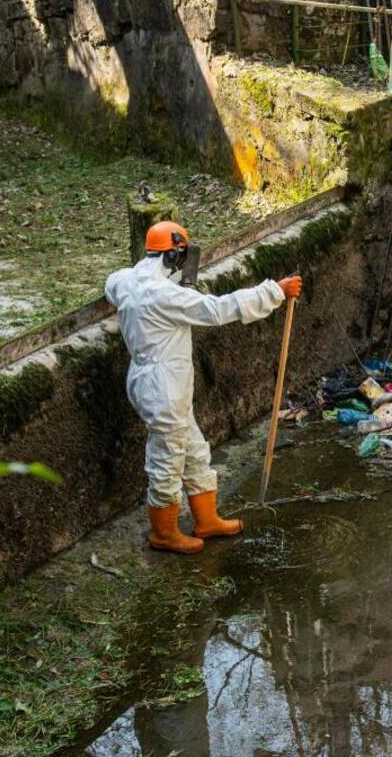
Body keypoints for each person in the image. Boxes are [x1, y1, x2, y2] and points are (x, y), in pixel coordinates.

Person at [105, 220, 302, 554]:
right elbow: (217, 309)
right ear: (173, 257)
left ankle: (206, 520)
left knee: (193, 447)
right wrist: (275, 291)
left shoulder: (126, 280)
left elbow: (111, 284)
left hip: (153, 379)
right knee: (167, 458)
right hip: (162, 384)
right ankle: (164, 534)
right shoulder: (165, 294)